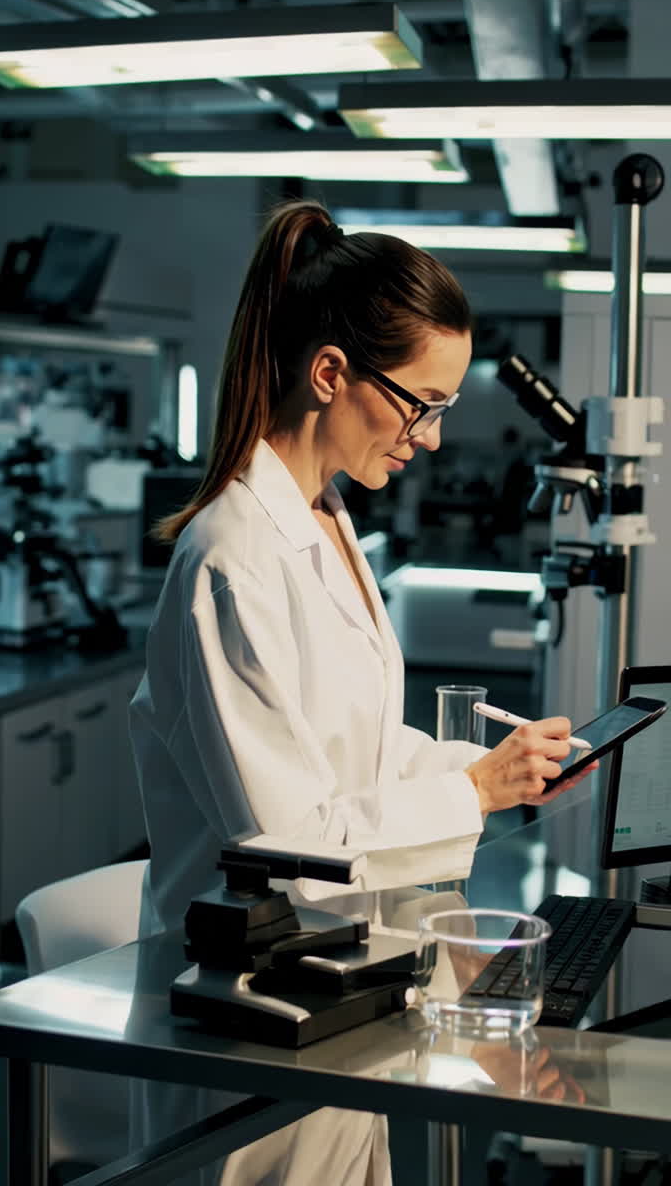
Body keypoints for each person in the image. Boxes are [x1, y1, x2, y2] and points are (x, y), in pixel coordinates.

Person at [128, 201, 594, 1185]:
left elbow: (363, 750)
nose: (431, 437)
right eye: (421, 403)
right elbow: (286, 846)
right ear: (331, 372)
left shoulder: (329, 517)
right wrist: (472, 792)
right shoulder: (232, 557)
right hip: (249, 1017)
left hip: (346, 987)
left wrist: (496, 770)